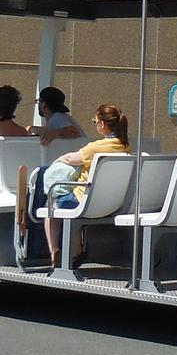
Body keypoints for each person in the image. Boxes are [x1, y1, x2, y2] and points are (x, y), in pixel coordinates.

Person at [39, 102, 130, 268]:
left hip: (83, 201)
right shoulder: (125, 147)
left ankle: (54, 250)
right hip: (112, 203)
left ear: (102, 124)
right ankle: (76, 250)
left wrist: (58, 159)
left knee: (51, 201)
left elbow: (72, 159)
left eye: (95, 122)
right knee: (68, 203)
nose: (95, 125)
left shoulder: (96, 147)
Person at [33, 86, 82, 150]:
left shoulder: (57, 118)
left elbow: (74, 132)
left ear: (43, 104)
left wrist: (55, 134)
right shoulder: (59, 118)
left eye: (38, 101)